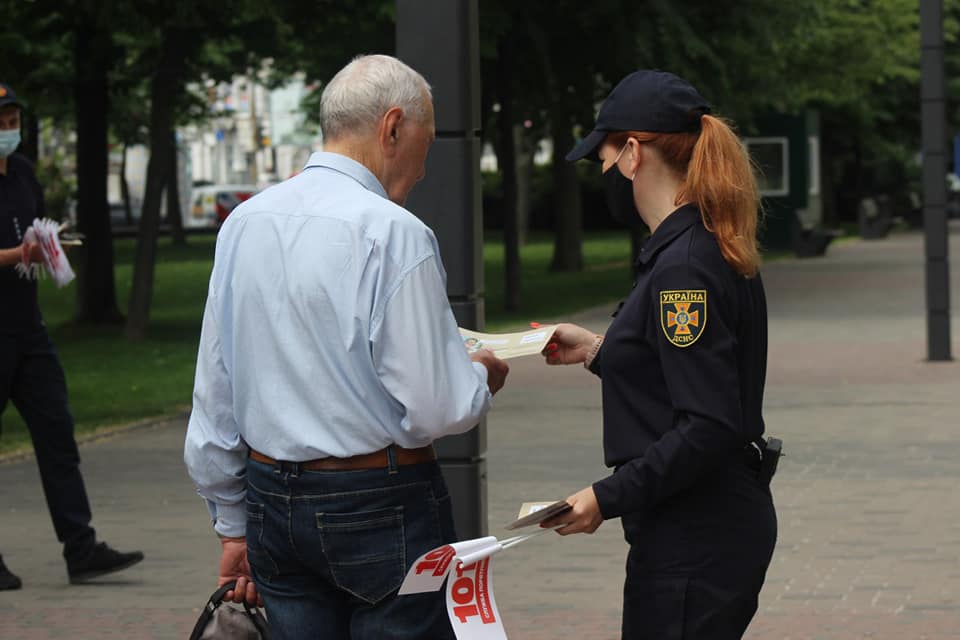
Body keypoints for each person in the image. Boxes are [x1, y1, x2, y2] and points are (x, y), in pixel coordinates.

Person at [184, 54, 509, 640]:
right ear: (392, 128)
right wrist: (480, 374)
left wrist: (233, 526)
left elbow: (215, 391)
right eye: (425, 142)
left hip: (269, 500)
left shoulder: (244, 223)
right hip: (383, 499)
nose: (426, 165)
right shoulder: (394, 232)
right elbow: (440, 408)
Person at [540, 70, 777, 639]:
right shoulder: (691, 245)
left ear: (631, 154)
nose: (602, 173)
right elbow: (681, 373)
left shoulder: (684, 267)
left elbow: (707, 424)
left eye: (600, 158)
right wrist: (600, 351)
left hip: (696, 533)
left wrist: (604, 497)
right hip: (700, 523)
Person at [0, 83, 144, 590]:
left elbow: (31, 231)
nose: (8, 128)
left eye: (13, 118)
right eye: (2, 120)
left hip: (27, 330)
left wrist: (46, 245)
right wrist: (19, 256)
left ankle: (80, 549)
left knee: (57, 433)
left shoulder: (20, 173)